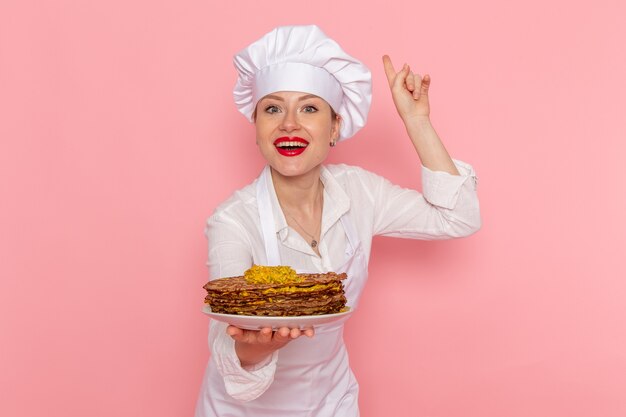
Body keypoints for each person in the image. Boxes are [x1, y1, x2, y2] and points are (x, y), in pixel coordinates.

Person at [195, 25, 481, 417]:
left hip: (333, 401)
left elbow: (457, 218)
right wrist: (258, 345)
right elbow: (227, 346)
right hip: (243, 409)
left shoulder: (361, 192)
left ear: (335, 128)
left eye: (309, 108)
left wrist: (416, 121)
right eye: (273, 108)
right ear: (257, 129)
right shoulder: (231, 220)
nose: (289, 123)